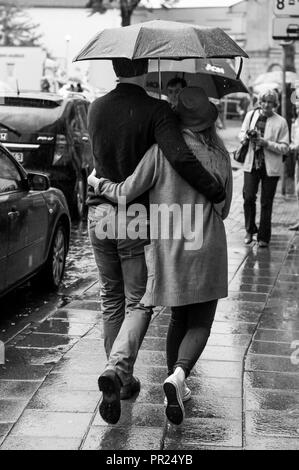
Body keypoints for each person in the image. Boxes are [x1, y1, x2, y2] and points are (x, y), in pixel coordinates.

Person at [87, 59, 226, 425]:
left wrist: (97, 184)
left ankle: (119, 375)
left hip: (115, 220)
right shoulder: (208, 147)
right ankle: (146, 374)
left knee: (114, 299)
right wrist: (211, 192)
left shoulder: (99, 109)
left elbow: (116, 177)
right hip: (168, 231)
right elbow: (193, 171)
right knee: (147, 304)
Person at [239, 88, 289, 247]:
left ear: (275, 104)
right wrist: (245, 137)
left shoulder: (281, 121)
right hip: (251, 163)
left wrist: (266, 143)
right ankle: (249, 230)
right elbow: (241, 133)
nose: (267, 105)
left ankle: (263, 237)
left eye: (270, 102)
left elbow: (285, 147)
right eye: (264, 102)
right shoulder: (251, 115)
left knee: (266, 202)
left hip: (270, 167)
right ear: (259, 102)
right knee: (248, 198)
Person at [289, 100, 299, 231]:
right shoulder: (295, 122)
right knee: (297, 191)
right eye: (297, 108)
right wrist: (292, 146)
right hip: (297, 158)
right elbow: (293, 140)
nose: (298, 110)